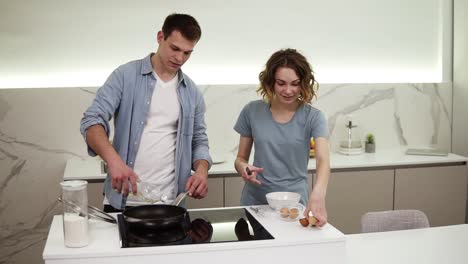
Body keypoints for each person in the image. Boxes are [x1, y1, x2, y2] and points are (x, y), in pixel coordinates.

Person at [80, 13, 212, 212]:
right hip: (124, 201)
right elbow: (91, 121)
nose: (179, 58)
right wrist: (114, 161)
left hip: (171, 204)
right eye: (175, 48)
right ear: (160, 37)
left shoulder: (192, 92)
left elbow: (199, 140)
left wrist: (202, 171)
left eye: (187, 53)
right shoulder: (125, 76)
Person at [233, 48, 330, 226]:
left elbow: (323, 160)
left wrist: (319, 193)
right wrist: (243, 168)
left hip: (294, 206)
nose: (288, 90)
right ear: (270, 82)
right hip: (255, 204)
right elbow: (240, 159)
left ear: (303, 83)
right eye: (281, 83)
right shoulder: (251, 111)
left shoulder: (314, 117)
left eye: (295, 83)